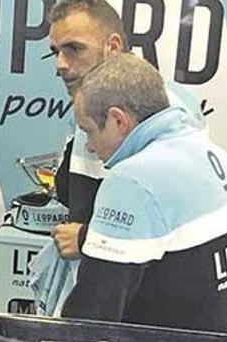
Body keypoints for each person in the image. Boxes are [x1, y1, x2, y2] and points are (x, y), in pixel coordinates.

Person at [60, 53, 227, 336]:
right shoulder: (214, 153)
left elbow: (89, 316)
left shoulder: (132, 182)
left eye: (89, 132)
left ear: (118, 120)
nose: (91, 148)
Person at [46, 0, 203, 261]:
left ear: (113, 47)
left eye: (74, 48)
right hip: (100, 279)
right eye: (56, 52)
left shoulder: (164, 109)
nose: (61, 64)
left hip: (141, 293)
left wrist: (88, 239)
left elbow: (183, 224)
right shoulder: (88, 102)